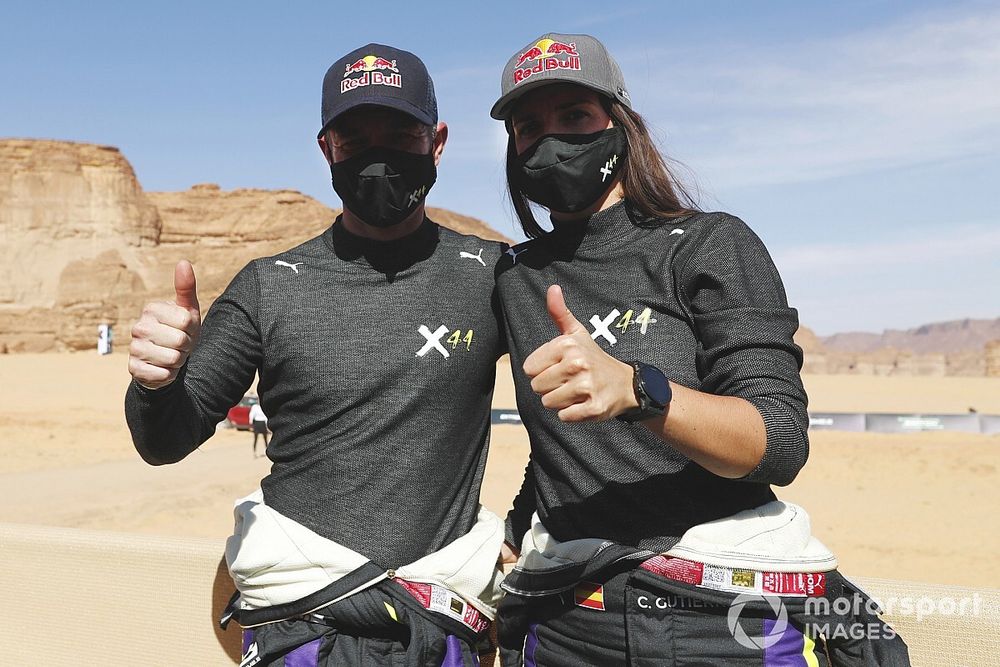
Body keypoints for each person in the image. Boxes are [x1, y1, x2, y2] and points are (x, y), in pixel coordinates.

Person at [488, 33, 910, 666]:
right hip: (572, 625)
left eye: (575, 117)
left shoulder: (706, 244)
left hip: (720, 625)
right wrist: (518, 526)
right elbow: (564, 444)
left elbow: (777, 443)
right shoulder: (516, 277)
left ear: (621, 125)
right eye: (529, 128)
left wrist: (637, 390)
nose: (552, 141)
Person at [125, 43, 508, 666]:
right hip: (300, 626)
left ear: (436, 142)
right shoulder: (269, 283)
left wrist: (519, 525)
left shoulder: (491, 275)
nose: (378, 155)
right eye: (355, 140)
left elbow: (570, 414)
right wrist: (156, 380)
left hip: (442, 624)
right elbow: (163, 440)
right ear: (326, 148)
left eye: (400, 134)